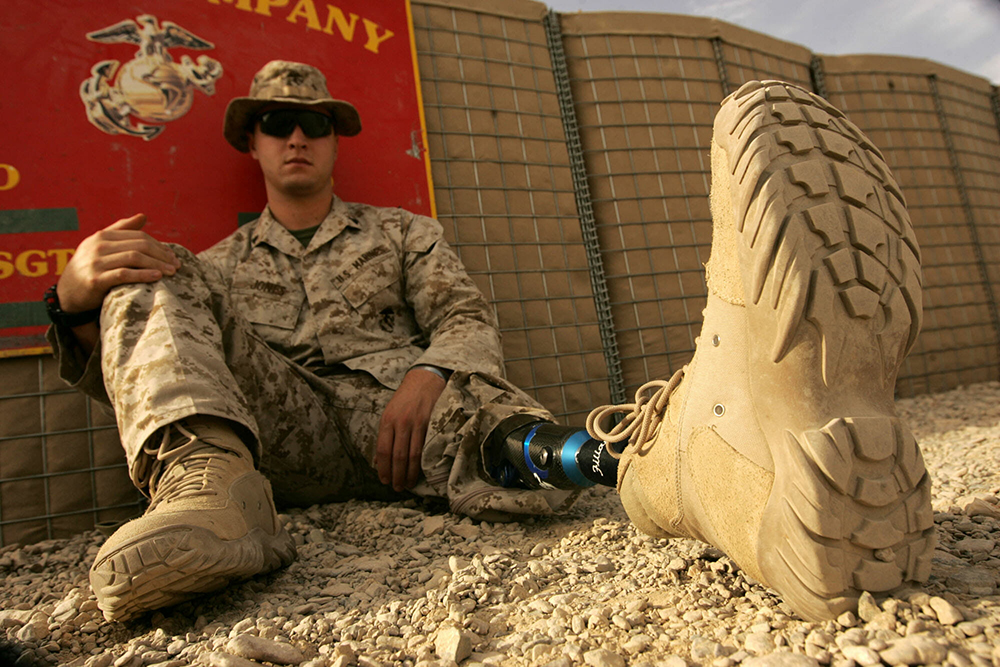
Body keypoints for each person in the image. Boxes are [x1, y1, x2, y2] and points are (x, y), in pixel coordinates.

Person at [46, 60, 933, 625]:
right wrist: (74, 302)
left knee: (495, 425)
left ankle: (678, 468)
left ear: (335, 140)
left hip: (419, 424)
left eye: (315, 123)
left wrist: (431, 370)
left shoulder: (402, 234)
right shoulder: (219, 264)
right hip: (285, 437)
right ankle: (209, 493)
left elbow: (466, 320)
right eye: (279, 123)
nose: (299, 137)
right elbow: (161, 364)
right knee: (141, 265)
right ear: (253, 141)